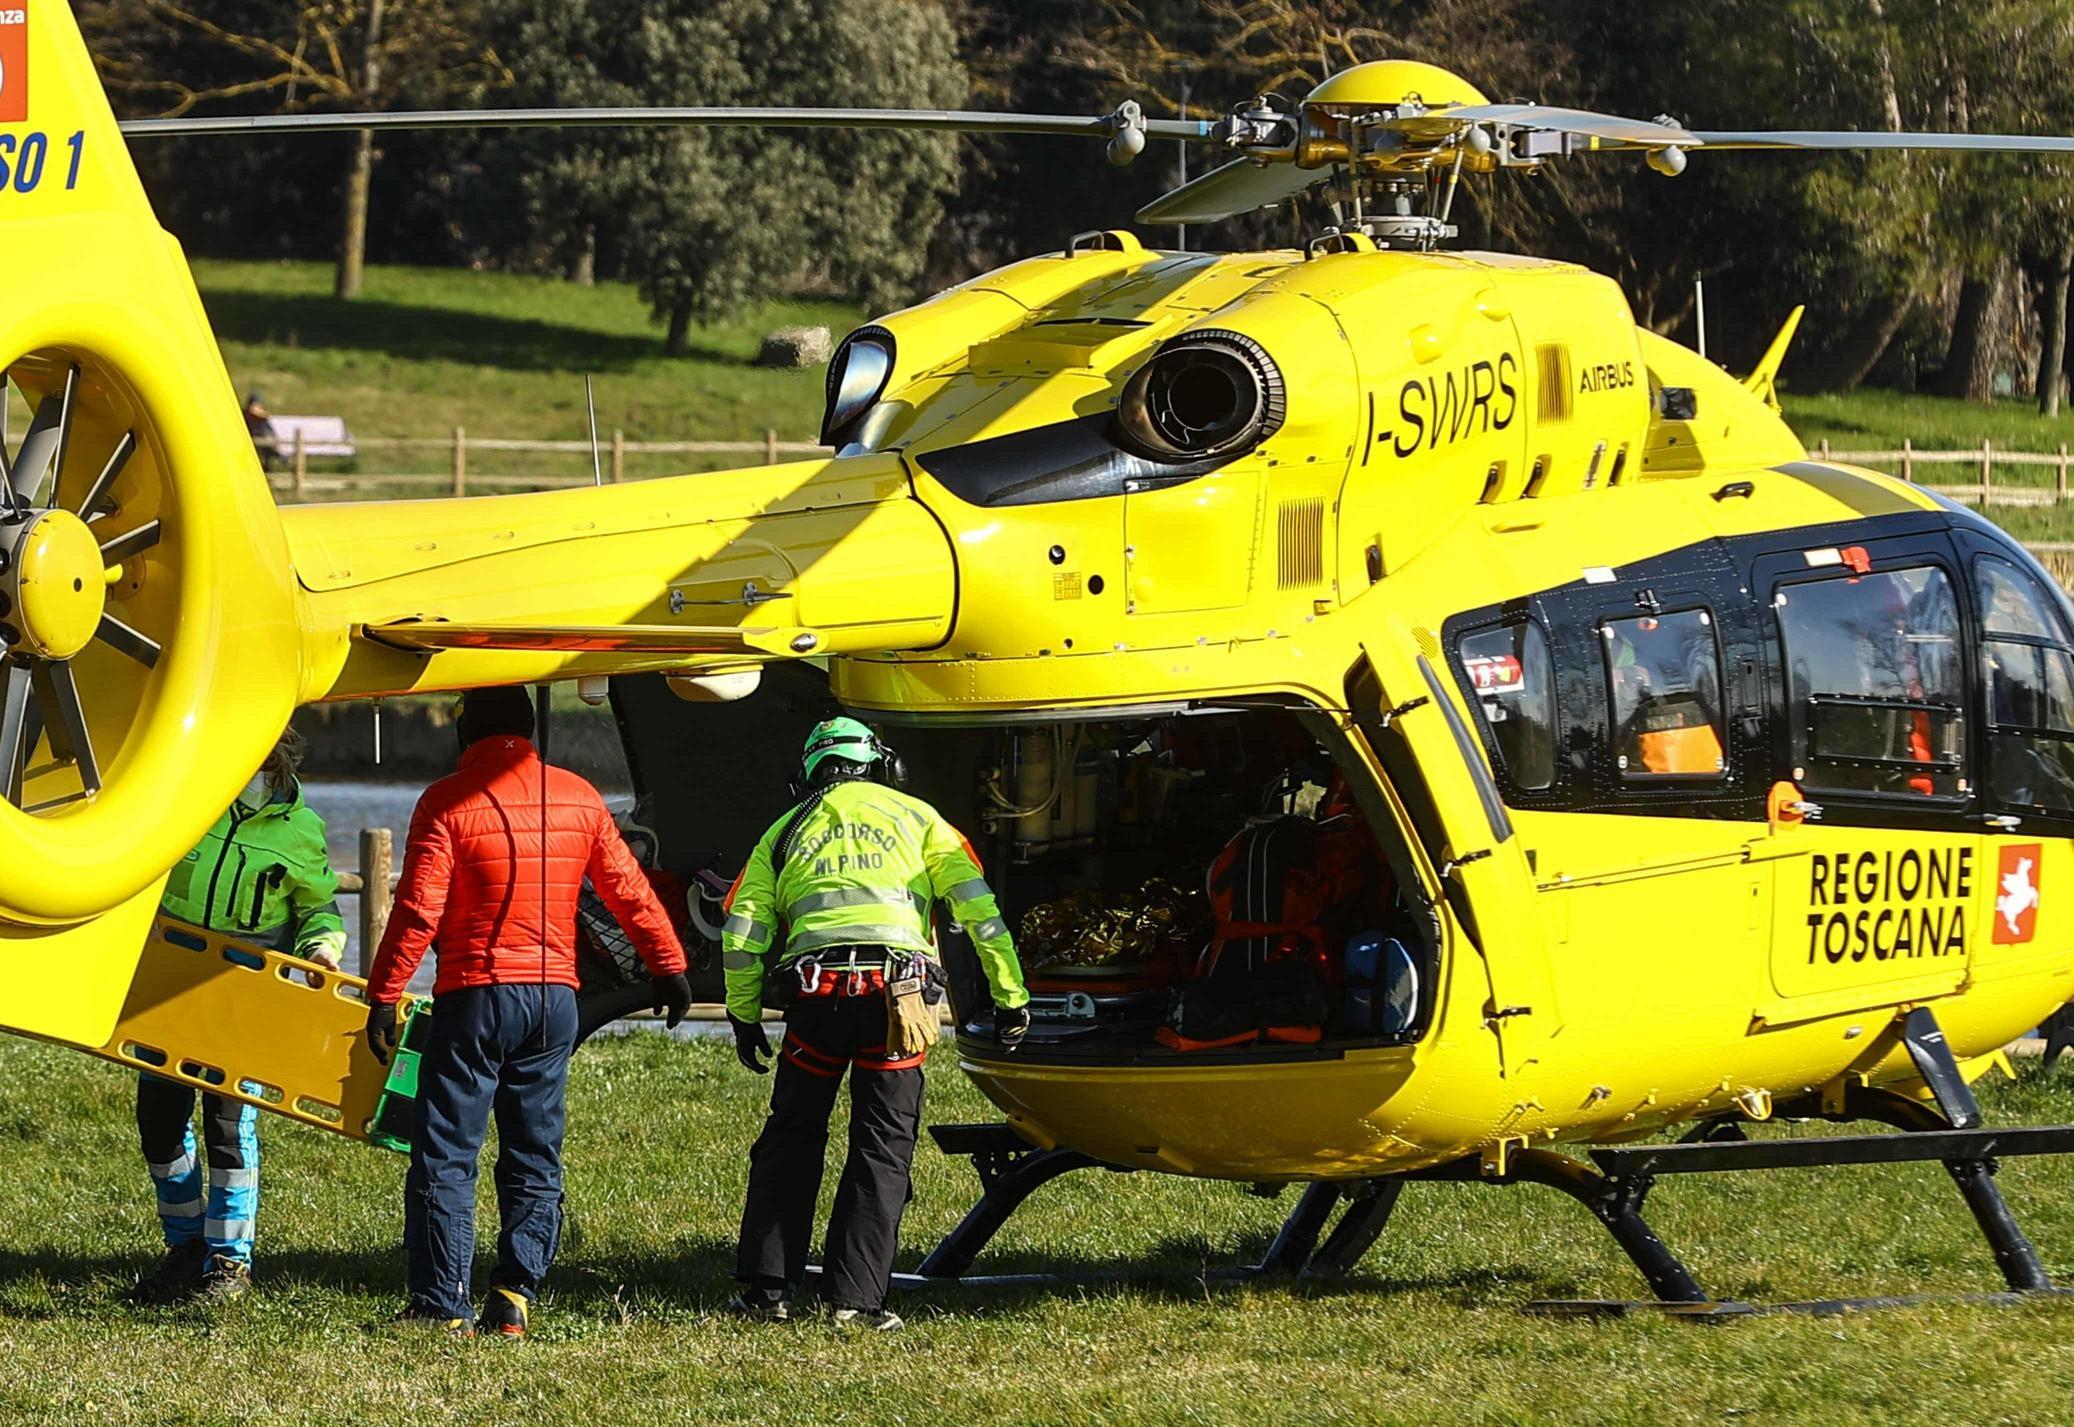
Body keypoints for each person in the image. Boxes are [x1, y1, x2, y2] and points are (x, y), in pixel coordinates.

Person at [362, 686, 690, 1339]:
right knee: (535, 1150)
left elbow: (420, 906)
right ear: (530, 727)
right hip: (554, 1000)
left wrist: (385, 992)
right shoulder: (579, 796)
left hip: (476, 994)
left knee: (447, 1153)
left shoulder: (446, 799)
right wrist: (671, 965)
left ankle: (440, 1300)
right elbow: (627, 888)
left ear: (466, 729)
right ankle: (514, 1294)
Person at [722, 717, 1031, 1331]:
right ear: (881, 765)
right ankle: (853, 1302)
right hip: (899, 999)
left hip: (817, 998)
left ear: (809, 774)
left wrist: (743, 1011)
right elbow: (980, 912)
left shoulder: (784, 830)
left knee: (792, 1137)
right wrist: (1010, 995)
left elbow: (741, 927)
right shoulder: (923, 820)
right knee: (882, 1147)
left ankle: (766, 1294)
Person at [134, 729, 346, 1306]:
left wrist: (322, 950)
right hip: (169, 988)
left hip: (243, 993)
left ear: (277, 759)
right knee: (158, 1125)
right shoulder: (189, 802)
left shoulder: (300, 830)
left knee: (228, 1128)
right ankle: (184, 1249)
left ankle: (229, 1264)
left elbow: (318, 906)